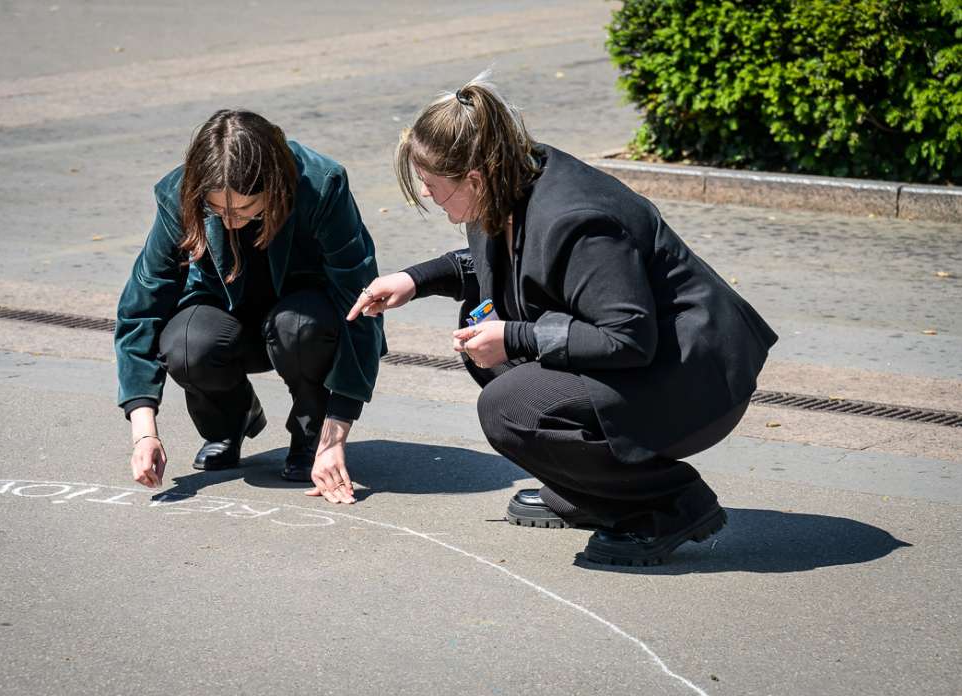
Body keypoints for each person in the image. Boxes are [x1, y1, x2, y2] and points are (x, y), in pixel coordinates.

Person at [348, 75, 778, 565]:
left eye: (431, 184)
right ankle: (599, 492)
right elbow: (508, 262)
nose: (426, 193)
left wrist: (514, 336)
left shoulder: (578, 220)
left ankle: (668, 506)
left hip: (695, 380)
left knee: (508, 406)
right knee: (480, 330)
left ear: (474, 178)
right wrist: (414, 280)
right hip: (654, 363)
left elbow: (629, 338)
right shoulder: (512, 177)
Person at [116, 109, 385, 505]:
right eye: (217, 212)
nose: (230, 222)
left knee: (298, 325)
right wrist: (144, 432)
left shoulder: (322, 185)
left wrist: (336, 431)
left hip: (304, 322)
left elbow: (361, 304)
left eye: (244, 210)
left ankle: (311, 435)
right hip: (227, 318)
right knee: (188, 344)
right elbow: (142, 308)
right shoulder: (178, 194)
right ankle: (230, 420)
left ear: (274, 187)